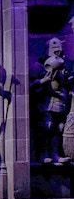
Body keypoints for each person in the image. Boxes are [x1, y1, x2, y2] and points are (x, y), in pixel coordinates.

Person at [29, 37, 74, 165]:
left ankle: (55, 153)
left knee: (59, 127)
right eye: (55, 49)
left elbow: (65, 83)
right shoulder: (38, 67)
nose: (58, 51)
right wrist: (43, 81)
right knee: (47, 126)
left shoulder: (64, 67)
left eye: (60, 48)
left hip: (60, 101)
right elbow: (31, 85)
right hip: (46, 102)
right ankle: (44, 153)